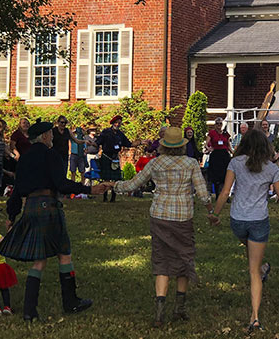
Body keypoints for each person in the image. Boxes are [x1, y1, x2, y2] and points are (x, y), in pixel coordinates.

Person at [0, 120, 112, 321]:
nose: (52, 137)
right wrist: (89, 189)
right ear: (44, 137)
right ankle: (70, 302)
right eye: (50, 134)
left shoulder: (23, 159)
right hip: (49, 207)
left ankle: (29, 311)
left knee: (39, 260)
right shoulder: (52, 155)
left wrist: (11, 216)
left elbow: (17, 191)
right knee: (64, 253)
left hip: (31, 207)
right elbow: (61, 184)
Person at [112, 127, 212, 326]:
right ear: (182, 145)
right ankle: (179, 308)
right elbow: (202, 192)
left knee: (161, 259)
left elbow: (134, 184)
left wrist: (114, 185)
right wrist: (211, 210)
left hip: (159, 215)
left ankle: (159, 311)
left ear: (164, 146)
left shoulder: (156, 163)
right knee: (184, 259)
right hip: (183, 216)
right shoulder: (191, 163)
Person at [208, 129, 279, 333]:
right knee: (253, 270)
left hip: (237, 220)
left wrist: (215, 213)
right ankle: (255, 317)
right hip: (259, 220)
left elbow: (225, 191)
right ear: (265, 146)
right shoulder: (271, 168)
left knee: (252, 258)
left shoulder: (235, 163)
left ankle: (262, 267)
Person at [97, 115, 131, 203]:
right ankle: (105, 197)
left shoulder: (120, 134)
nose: (118, 124)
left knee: (116, 178)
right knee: (106, 178)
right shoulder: (106, 132)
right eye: (116, 123)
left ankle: (113, 197)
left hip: (115, 157)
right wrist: (90, 144)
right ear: (113, 123)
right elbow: (98, 142)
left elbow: (128, 143)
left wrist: (141, 142)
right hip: (106, 156)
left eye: (119, 123)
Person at [206, 118, 232, 198]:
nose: (219, 125)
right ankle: (217, 194)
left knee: (225, 175)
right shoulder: (212, 133)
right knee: (216, 175)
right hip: (216, 155)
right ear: (215, 124)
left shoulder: (225, 133)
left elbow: (228, 145)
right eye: (217, 123)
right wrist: (209, 148)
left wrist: (232, 152)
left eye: (220, 123)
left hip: (224, 155)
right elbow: (207, 143)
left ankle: (225, 195)